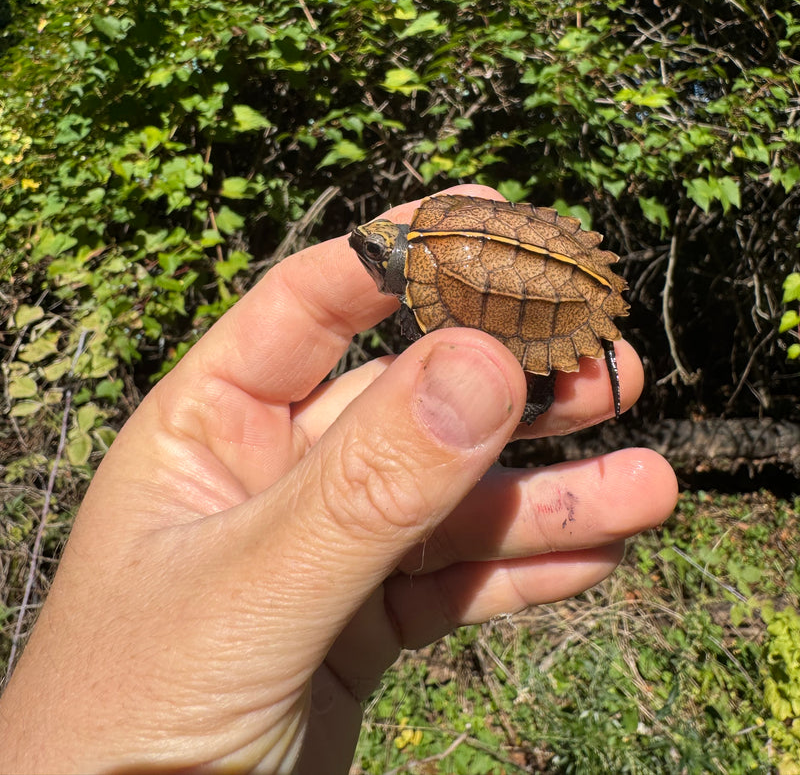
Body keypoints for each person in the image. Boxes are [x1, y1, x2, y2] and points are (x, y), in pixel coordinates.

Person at [0, 185, 678, 774]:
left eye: (377, 253)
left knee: (469, 357)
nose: (370, 257)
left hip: (557, 292)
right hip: (549, 262)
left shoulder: (433, 256)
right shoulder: (439, 222)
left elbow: (450, 337)